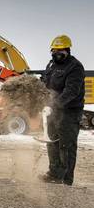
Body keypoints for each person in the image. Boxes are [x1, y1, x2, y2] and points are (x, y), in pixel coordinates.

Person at [40, 35, 85, 186]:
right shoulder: (51, 65)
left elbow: (71, 91)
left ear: (67, 50)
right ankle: (54, 174)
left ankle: (66, 179)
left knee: (66, 144)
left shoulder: (75, 67)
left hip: (69, 112)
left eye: (61, 50)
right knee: (51, 142)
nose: (57, 53)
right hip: (53, 111)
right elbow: (45, 83)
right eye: (54, 50)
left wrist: (53, 105)